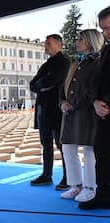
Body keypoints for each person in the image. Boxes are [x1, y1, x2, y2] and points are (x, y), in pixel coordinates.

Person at [59, 29, 103, 202]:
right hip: (69, 113)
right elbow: (63, 87)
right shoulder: (74, 62)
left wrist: (74, 104)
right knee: (68, 148)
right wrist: (62, 102)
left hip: (87, 113)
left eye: (81, 39)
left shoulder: (97, 62)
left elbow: (93, 88)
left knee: (88, 150)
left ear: (91, 41)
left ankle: (91, 188)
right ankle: (75, 186)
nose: (77, 42)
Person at [79, 6, 110, 210]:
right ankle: (104, 195)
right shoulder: (106, 50)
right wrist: (95, 102)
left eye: (108, 28)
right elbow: (94, 82)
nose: (106, 33)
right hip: (103, 113)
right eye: (103, 29)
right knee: (103, 155)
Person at [29, 34, 70, 190]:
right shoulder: (46, 65)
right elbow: (33, 84)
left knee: (62, 145)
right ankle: (47, 175)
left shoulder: (64, 63)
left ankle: (68, 177)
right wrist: (42, 85)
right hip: (42, 108)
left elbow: (53, 81)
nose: (45, 46)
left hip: (55, 109)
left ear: (58, 45)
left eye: (48, 43)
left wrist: (42, 85)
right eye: (45, 43)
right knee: (45, 144)